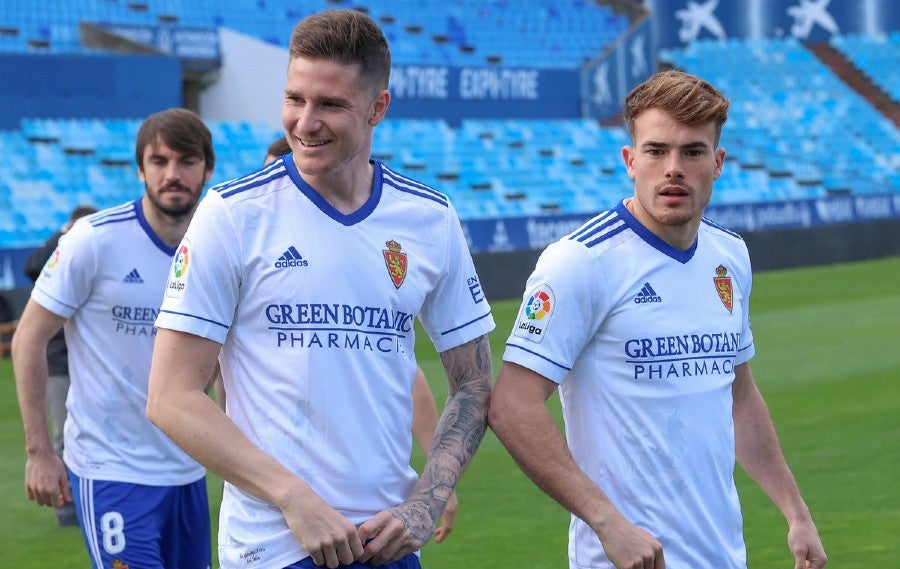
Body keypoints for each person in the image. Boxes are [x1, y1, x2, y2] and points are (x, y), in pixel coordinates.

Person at [146, 10, 493, 569]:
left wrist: (426, 504)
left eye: (330, 104)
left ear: (378, 107)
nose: (304, 123)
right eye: (294, 99)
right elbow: (170, 397)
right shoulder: (233, 215)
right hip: (275, 547)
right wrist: (293, 497)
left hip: (386, 546)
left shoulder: (429, 218)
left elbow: (474, 383)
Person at [489, 70, 827, 569]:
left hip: (723, 556)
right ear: (630, 160)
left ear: (718, 163)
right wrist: (606, 521)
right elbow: (512, 405)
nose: (673, 168)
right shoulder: (582, 262)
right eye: (655, 151)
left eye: (692, 152)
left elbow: (739, 395)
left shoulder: (729, 256)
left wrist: (796, 512)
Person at [13, 108, 214, 568]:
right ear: (140, 169)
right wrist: (40, 452)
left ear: (207, 168)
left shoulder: (215, 248)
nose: (173, 174)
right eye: (159, 161)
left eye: (186, 161)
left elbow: (222, 360)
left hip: (188, 472)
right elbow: (28, 339)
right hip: (111, 471)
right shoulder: (93, 240)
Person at [22, 204, 97, 528]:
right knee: (61, 433)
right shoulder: (57, 260)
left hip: (90, 362)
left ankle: (88, 498)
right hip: (57, 361)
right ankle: (66, 507)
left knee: (90, 431)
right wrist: (62, 237)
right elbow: (31, 266)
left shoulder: (94, 258)